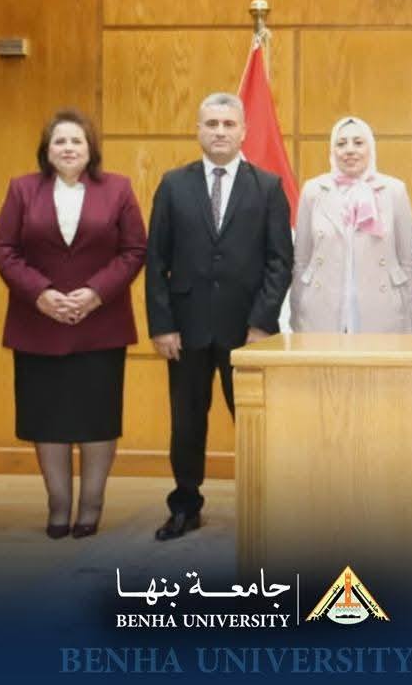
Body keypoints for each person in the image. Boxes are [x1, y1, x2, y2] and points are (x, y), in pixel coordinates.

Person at [0, 109, 146, 539]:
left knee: (97, 419)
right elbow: (2, 248)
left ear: (90, 148)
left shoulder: (118, 189)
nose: (69, 148)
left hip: (101, 324)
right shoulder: (23, 189)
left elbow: (135, 249)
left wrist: (95, 293)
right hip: (39, 325)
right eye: (60, 141)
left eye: (76, 141)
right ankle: (58, 507)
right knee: (48, 419)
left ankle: (91, 507)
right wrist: (40, 293)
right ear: (47, 149)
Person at [146, 92, 293, 541]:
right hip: (186, 330)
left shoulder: (267, 186)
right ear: (198, 130)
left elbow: (279, 261)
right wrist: (163, 324)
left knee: (253, 424)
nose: (220, 132)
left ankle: (264, 505)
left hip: (245, 330)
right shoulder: (173, 184)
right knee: (186, 422)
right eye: (211, 124)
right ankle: (185, 506)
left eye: (229, 124)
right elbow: (156, 260)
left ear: (244, 131)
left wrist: (262, 325)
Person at [292, 116, 412, 333]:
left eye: (358, 143)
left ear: (370, 148)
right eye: (341, 143)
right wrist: (298, 313)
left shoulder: (393, 190)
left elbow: (409, 261)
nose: (349, 150)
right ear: (332, 150)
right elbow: (301, 260)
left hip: (383, 307)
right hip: (322, 306)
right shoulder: (314, 190)